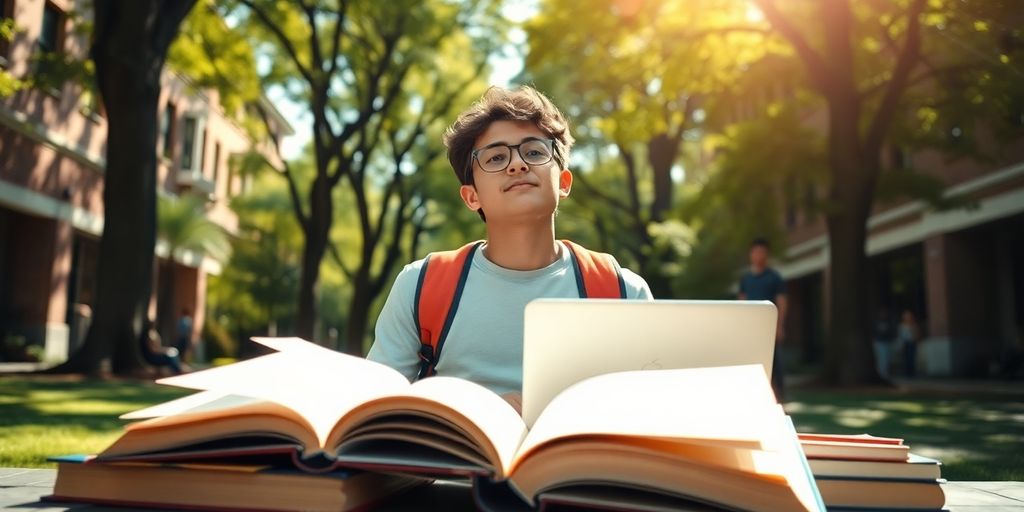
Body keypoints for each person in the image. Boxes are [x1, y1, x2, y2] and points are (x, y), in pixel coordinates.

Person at [367, 86, 653, 414]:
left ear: (563, 182)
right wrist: (482, 414)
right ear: (471, 196)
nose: (517, 164)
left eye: (533, 152)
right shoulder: (421, 286)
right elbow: (376, 411)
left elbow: (646, 415)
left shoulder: (622, 291)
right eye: (496, 157)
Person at [737, 237, 787, 401]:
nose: (759, 255)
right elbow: (742, 301)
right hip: (751, 330)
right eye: (756, 252)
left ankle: (779, 399)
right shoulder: (746, 279)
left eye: (762, 252)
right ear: (751, 254)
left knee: (775, 365)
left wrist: (780, 326)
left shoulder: (774, 278)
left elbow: (782, 301)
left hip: (769, 329)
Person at [872, 308, 895, 380]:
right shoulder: (876, 322)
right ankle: (882, 374)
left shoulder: (889, 322)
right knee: (881, 359)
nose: (883, 315)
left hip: (887, 342)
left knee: (887, 358)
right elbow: (874, 332)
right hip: (879, 342)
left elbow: (891, 332)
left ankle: (885, 374)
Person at [897, 310, 920, 377]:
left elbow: (917, 334)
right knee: (905, 358)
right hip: (905, 343)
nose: (907, 318)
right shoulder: (901, 326)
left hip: (912, 342)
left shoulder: (914, 325)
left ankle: (912, 372)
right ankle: (906, 372)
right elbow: (900, 335)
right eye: (906, 316)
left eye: (909, 316)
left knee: (911, 358)